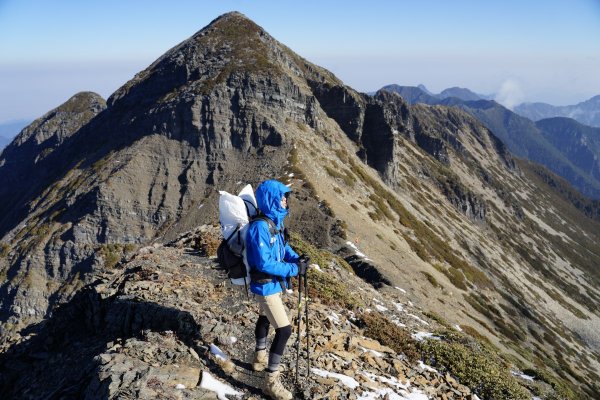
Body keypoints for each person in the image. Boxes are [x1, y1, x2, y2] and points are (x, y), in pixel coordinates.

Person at [245, 179, 309, 400]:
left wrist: (297, 258)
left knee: (264, 318)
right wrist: (294, 269)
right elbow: (263, 263)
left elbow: (283, 247)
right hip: (265, 286)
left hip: (272, 283)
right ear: (272, 199)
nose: (285, 200)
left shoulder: (274, 223)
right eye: (282, 196)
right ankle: (271, 381)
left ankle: (259, 358)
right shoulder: (259, 227)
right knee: (284, 330)